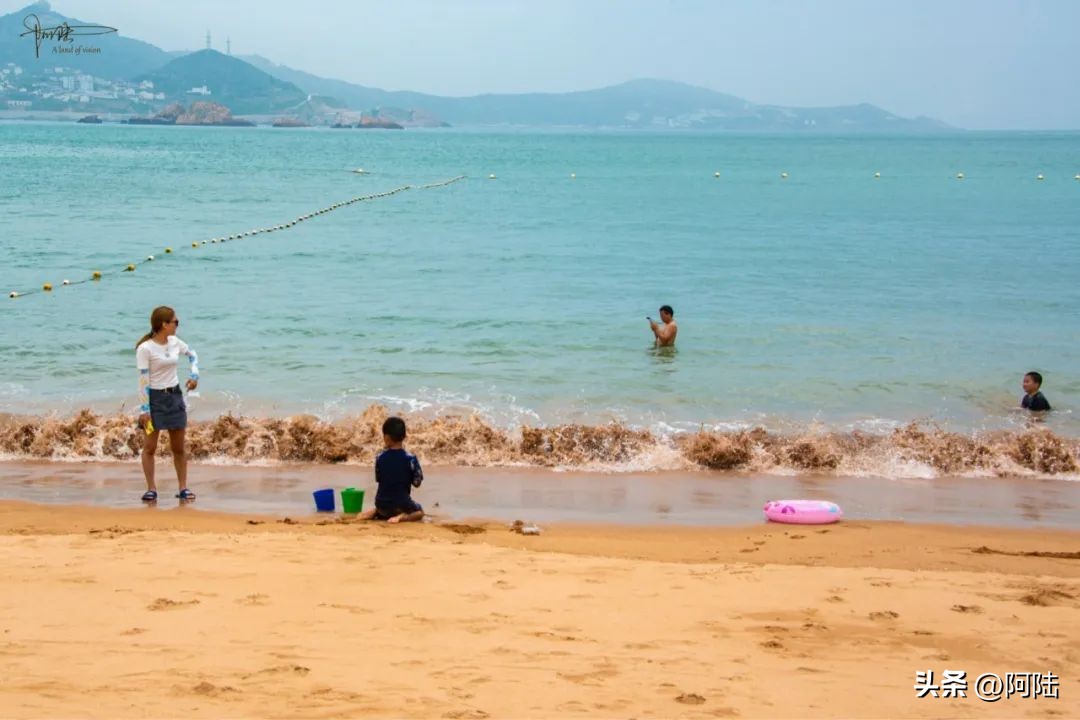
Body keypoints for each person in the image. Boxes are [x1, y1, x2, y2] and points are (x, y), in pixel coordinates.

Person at [135, 306, 200, 503]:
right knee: (150, 447)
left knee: (178, 448)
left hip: (174, 397)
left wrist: (194, 375)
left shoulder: (174, 342)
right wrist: (144, 409)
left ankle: (183, 488)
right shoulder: (145, 348)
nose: (177, 325)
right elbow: (143, 381)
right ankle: (151, 489)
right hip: (154, 400)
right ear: (164, 324)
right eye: (175, 322)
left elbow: (192, 355)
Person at [359, 416, 425, 523]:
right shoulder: (411, 459)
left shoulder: (379, 457)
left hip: (381, 504)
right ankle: (402, 517)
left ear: (387, 437)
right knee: (420, 512)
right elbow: (417, 483)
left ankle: (376, 511)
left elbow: (379, 479)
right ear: (404, 436)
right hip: (401, 505)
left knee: (385, 506)